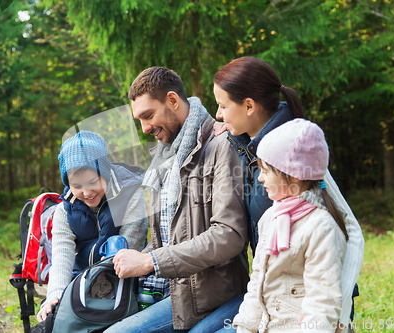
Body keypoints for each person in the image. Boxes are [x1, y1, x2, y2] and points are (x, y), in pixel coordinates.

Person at [200, 56, 363, 331]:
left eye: (223, 106)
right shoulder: (246, 147)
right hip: (271, 293)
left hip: (304, 302)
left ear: (249, 106)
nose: (218, 114)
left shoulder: (296, 152)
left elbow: (347, 234)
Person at [104, 66, 249, 332]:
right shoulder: (164, 159)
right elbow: (165, 241)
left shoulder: (220, 146)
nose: (145, 127)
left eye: (148, 116)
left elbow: (229, 235)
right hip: (175, 294)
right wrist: (137, 258)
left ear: (172, 100)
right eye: (139, 120)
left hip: (214, 295)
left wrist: (151, 262)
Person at [218, 119, 349, 332]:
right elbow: (257, 284)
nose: (260, 178)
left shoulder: (322, 228)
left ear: (294, 176)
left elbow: (322, 304)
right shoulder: (271, 218)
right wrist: (244, 328)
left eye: (266, 171)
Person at [36, 130, 148, 322]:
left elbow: (132, 245)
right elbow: (62, 255)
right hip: (82, 279)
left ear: (104, 173)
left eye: (93, 182)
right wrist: (55, 295)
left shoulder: (131, 194)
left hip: (125, 277)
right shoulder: (65, 209)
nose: (87, 192)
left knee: (117, 244)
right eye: (76, 185)